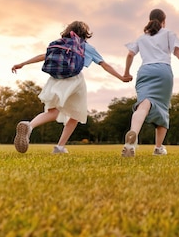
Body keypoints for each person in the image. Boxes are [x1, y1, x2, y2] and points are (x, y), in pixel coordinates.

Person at [11, 21, 131, 154]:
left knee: (52, 112)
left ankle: (29, 125)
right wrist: (121, 77)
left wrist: (22, 63)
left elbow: (43, 56)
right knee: (76, 114)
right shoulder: (85, 47)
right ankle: (59, 147)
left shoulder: (59, 43)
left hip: (54, 80)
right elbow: (104, 65)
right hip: (74, 81)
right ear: (85, 34)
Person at [121, 8, 179, 157]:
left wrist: (126, 73)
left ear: (149, 20)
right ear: (164, 21)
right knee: (162, 109)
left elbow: (130, 54)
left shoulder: (141, 38)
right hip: (163, 72)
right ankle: (158, 148)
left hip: (145, 71)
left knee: (143, 104)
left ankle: (132, 137)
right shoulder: (169, 33)